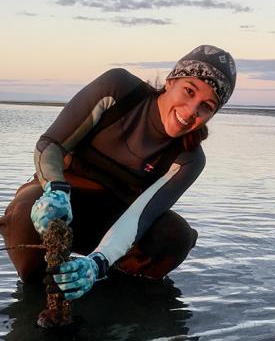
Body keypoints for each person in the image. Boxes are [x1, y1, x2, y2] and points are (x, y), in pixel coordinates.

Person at [0, 45, 237, 300]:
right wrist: (54, 189)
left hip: (115, 222)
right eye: (189, 91)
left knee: (176, 235)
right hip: (61, 204)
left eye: (207, 106)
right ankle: (38, 294)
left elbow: (139, 218)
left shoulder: (189, 160)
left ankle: (116, 295)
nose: (191, 111)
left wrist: (99, 262)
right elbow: (51, 145)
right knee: (24, 211)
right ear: (170, 81)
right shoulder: (119, 89)